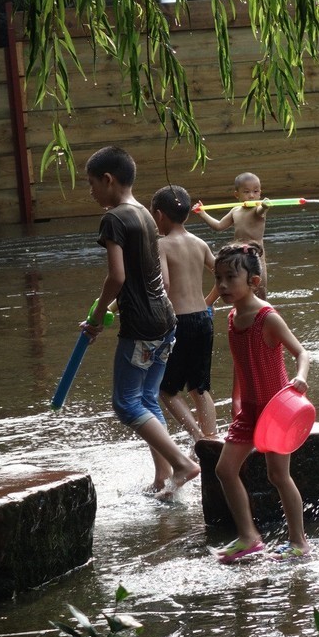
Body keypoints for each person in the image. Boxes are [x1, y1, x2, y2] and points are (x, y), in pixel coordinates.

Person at [81, 145, 200, 497]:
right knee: (147, 397)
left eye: (91, 184)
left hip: (141, 326)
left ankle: (182, 464)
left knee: (126, 403)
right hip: (165, 319)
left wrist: (98, 316)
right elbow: (151, 279)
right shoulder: (146, 215)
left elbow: (117, 277)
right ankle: (163, 477)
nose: (90, 192)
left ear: (108, 179)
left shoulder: (114, 219)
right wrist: (107, 311)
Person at [211, 242, 311, 562]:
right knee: (225, 470)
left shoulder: (267, 318)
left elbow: (301, 352)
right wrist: (236, 399)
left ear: (253, 281)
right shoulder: (232, 318)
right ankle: (249, 537)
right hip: (250, 409)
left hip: (277, 409)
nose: (222, 285)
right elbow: (241, 364)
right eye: (218, 278)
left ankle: (299, 542)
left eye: (230, 278)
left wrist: (301, 378)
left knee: (278, 476)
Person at [151, 185, 218, 444]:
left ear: (159, 215)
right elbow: (223, 275)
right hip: (203, 319)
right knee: (199, 387)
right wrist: (208, 302)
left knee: (166, 389)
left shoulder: (161, 245)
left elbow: (164, 284)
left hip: (178, 322)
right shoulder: (199, 243)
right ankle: (212, 438)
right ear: (188, 214)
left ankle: (198, 437)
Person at [196, 172, 271, 298]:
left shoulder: (257, 209)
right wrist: (203, 214)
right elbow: (219, 226)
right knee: (239, 288)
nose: (251, 195)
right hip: (238, 255)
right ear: (237, 194)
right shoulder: (235, 211)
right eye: (246, 192)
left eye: (256, 191)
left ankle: (263, 309)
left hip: (255, 255)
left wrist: (264, 206)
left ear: (260, 193)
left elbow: (261, 211)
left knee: (260, 289)